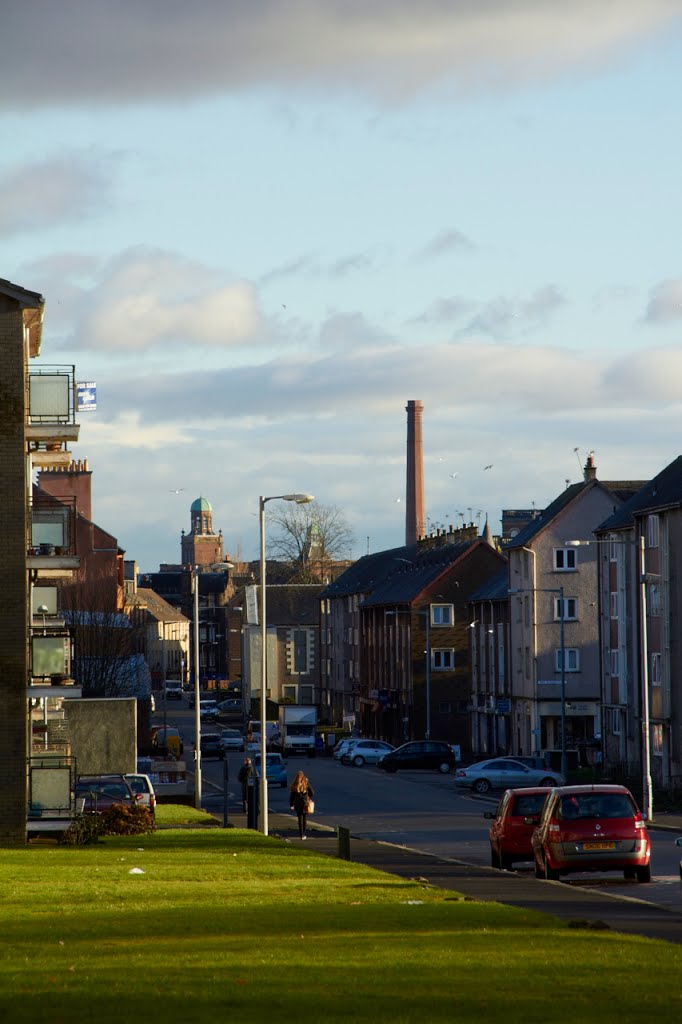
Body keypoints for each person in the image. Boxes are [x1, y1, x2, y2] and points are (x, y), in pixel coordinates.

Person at [289, 769, 314, 840]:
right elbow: (312, 792)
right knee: (304, 818)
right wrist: (308, 797)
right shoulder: (306, 783)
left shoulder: (294, 784)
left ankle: (301, 834)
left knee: (300, 818)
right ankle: (304, 834)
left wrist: (291, 804)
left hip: (297, 804)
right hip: (305, 803)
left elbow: (292, 796)